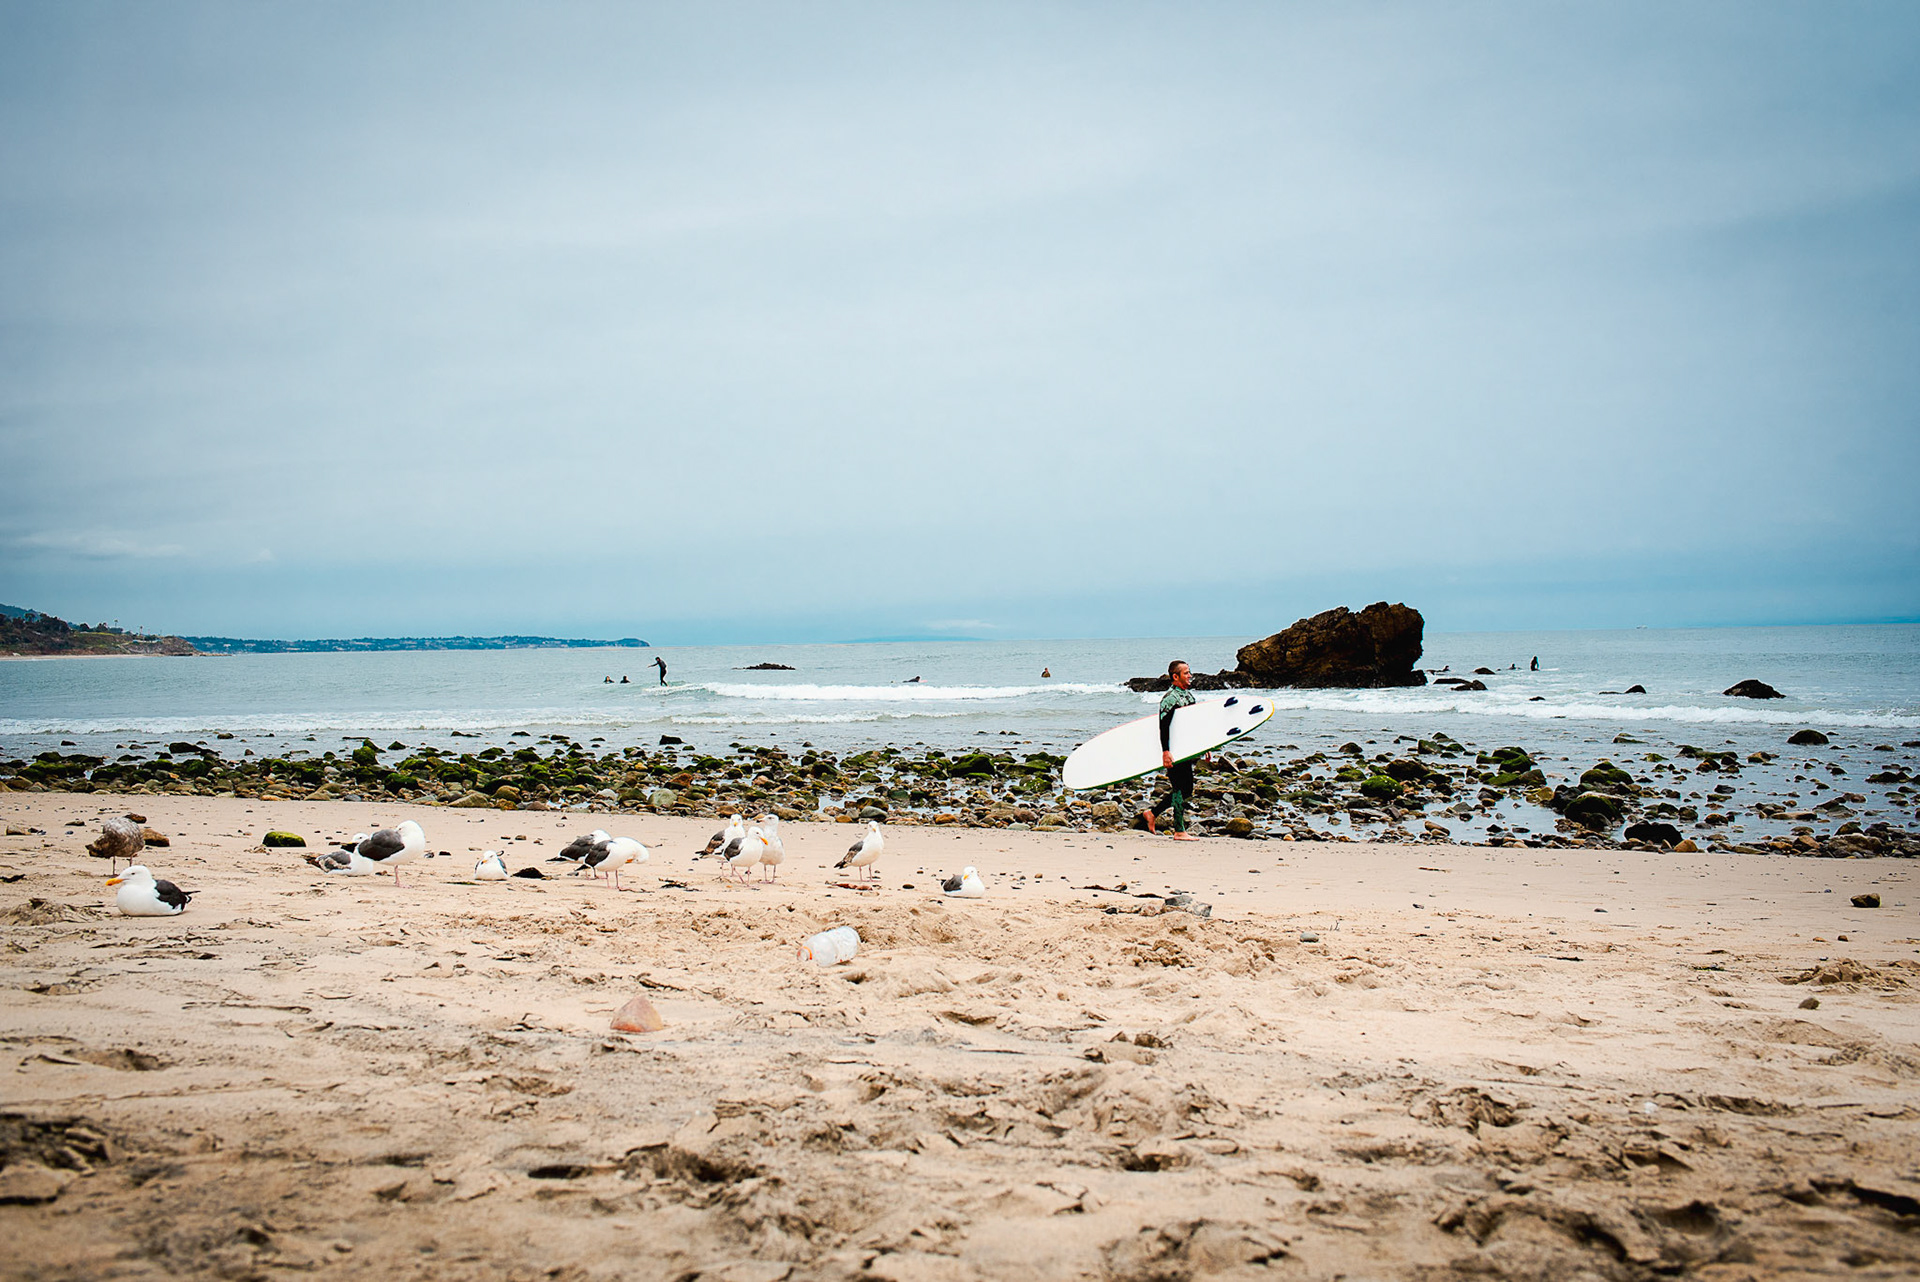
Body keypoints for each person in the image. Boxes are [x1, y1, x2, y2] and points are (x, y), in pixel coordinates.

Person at [1141, 659, 1201, 840]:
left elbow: (1192, 726)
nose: (1190, 675)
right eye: (1186, 673)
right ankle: (1179, 830)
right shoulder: (1170, 699)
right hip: (1174, 750)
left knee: (1186, 789)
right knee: (1179, 788)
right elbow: (1164, 727)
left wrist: (1203, 746)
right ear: (1176, 676)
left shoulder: (1189, 697)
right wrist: (1165, 751)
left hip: (1185, 750)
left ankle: (1152, 814)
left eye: (1189, 672)